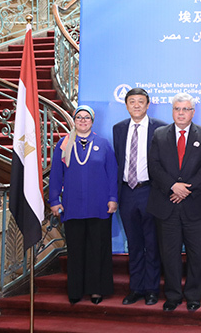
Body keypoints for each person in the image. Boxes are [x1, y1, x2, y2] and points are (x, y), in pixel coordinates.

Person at [146, 93, 201, 312]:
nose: (181, 113)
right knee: (169, 255)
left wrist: (186, 189)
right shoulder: (159, 134)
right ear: (172, 111)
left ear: (193, 112)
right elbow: (154, 165)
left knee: (196, 255)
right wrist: (172, 186)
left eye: (186, 109)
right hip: (166, 205)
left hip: (196, 206)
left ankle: (194, 296)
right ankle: (173, 295)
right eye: (177, 109)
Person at [48, 105, 118, 305]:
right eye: (79, 117)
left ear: (92, 121)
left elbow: (112, 174)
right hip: (73, 206)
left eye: (87, 117)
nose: (83, 120)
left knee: (97, 249)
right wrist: (54, 200)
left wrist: (113, 198)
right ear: (74, 120)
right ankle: (76, 290)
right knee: (76, 250)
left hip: (99, 206)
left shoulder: (103, 144)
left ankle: (96, 290)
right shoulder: (64, 144)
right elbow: (56, 175)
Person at [113, 88, 166, 306]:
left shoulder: (160, 128)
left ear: (148, 104)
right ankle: (136, 288)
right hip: (127, 192)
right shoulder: (119, 128)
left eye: (140, 101)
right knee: (133, 243)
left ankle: (152, 289)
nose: (136, 105)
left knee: (152, 242)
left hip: (150, 191)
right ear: (126, 105)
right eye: (132, 101)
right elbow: (118, 161)